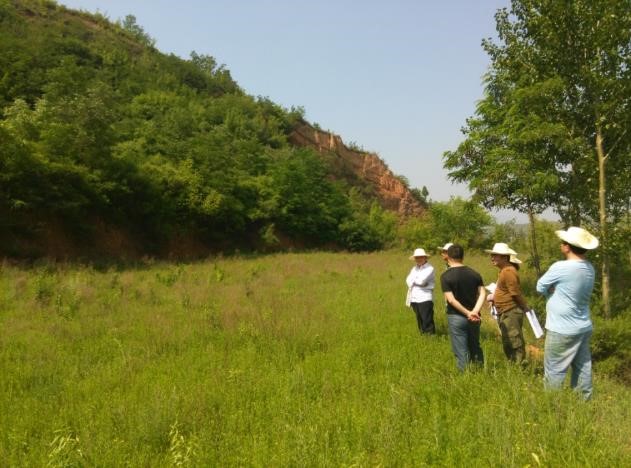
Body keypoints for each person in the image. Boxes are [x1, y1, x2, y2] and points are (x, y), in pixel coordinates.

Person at [536, 226, 599, 400]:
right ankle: (583, 405)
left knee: (554, 370)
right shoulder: (589, 268)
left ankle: (551, 408)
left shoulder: (561, 267)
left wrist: (551, 291)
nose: (561, 244)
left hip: (561, 328)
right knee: (582, 367)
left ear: (567, 247)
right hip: (583, 326)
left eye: (563, 242)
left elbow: (540, 286)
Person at [440, 244, 486, 371]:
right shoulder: (475, 274)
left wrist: (467, 313)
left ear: (448, 257)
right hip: (475, 317)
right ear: (462, 256)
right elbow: (482, 293)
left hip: (456, 317)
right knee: (475, 345)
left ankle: (465, 377)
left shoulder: (445, 276)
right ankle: (480, 371)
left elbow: (451, 300)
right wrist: (475, 311)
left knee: (461, 350)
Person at [486, 243, 529, 363]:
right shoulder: (503, 271)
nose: (492, 258)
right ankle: (513, 364)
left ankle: (520, 366)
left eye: (495, 255)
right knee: (508, 340)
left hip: (510, 311)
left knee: (514, 340)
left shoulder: (508, 271)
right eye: (492, 255)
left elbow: (515, 293)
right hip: (505, 311)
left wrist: (525, 307)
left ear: (505, 257)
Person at [405, 248, 435, 334]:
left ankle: (430, 337)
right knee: (419, 318)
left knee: (427, 319)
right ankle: (423, 335)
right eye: (417, 258)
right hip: (414, 297)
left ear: (425, 258)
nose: (419, 259)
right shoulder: (414, 268)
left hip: (425, 297)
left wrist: (414, 281)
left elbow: (421, 281)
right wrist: (417, 282)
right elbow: (407, 280)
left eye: (421, 257)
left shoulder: (430, 268)